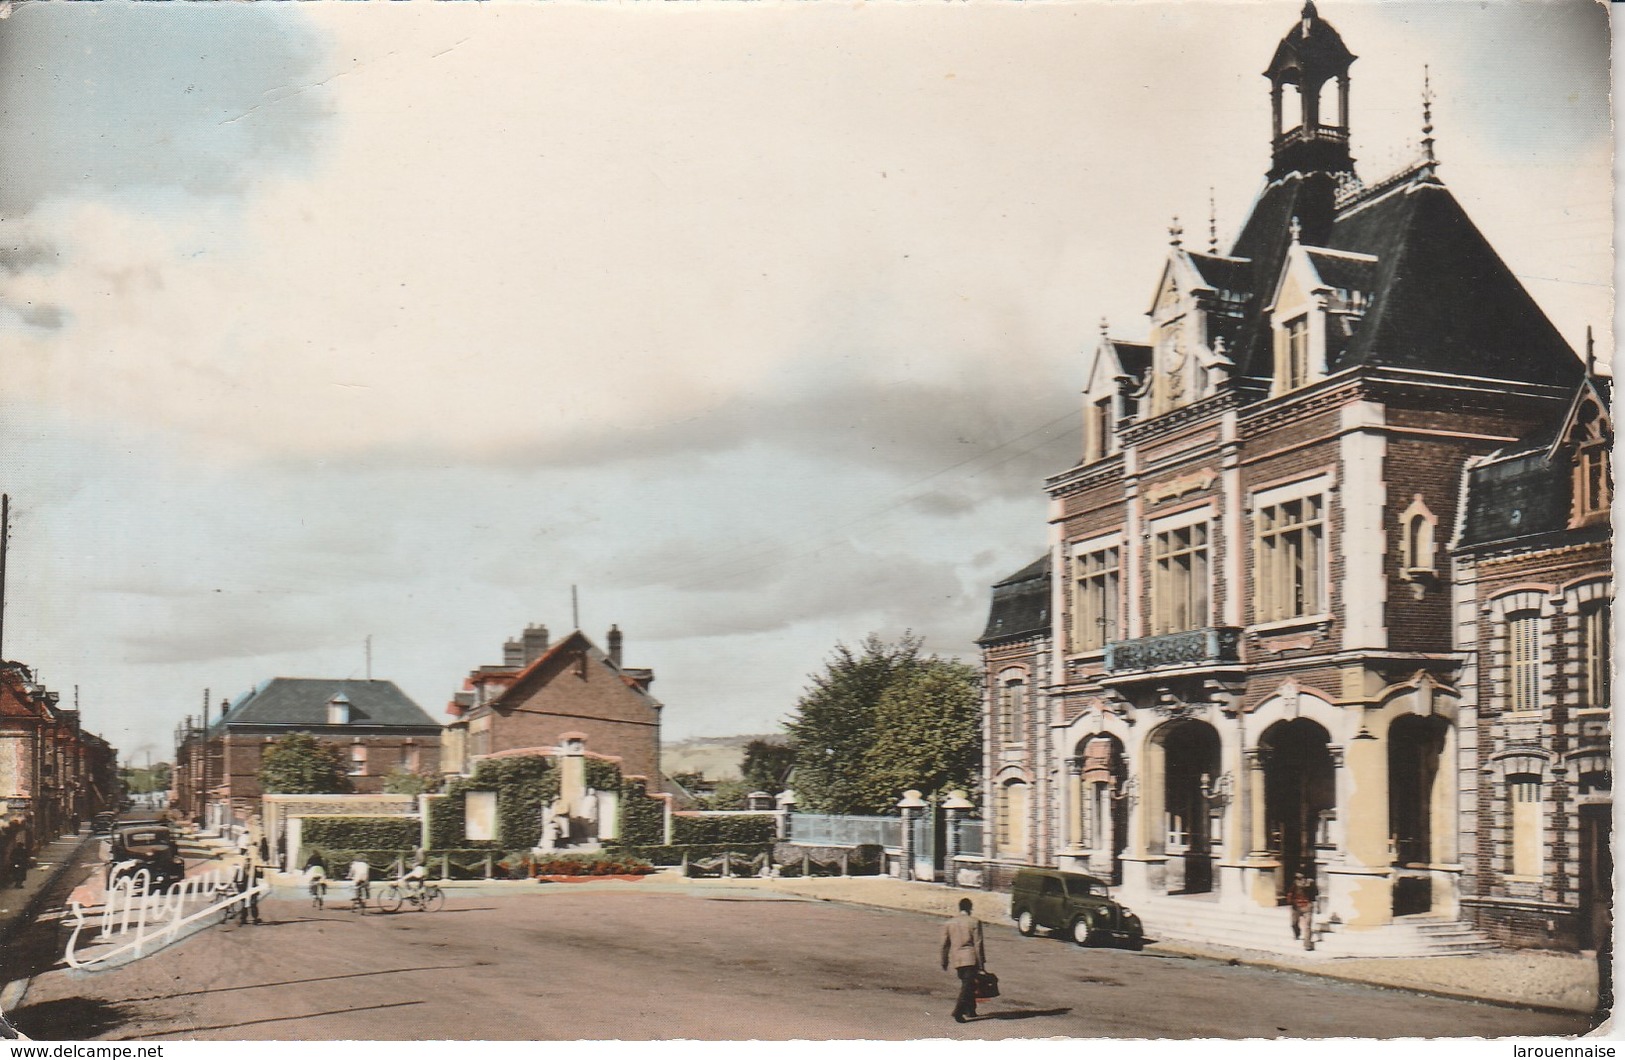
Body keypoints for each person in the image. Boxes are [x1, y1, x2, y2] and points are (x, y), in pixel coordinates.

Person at [940, 897, 986, 1023]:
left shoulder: (949, 923)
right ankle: (958, 1011)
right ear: (970, 908)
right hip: (970, 958)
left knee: (968, 984)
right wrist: (981, 964)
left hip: (957, 960)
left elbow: (945, 944)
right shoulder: (974, 922)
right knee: (968, 985)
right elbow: (978, 944)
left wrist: (944, 960)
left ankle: (971, 1010)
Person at [1289, 873, 1316, 950]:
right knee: (1294, 923)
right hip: (1296, 906)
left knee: (1307, 926)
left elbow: (1315, 893)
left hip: (1307, 906)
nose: (1301, 880)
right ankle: (1297, 933)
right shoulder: (1294, 884)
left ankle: (1307, 944)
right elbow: (1290, 893)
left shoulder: (1310, 883)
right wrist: (1291, 902)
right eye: (1299, 878)